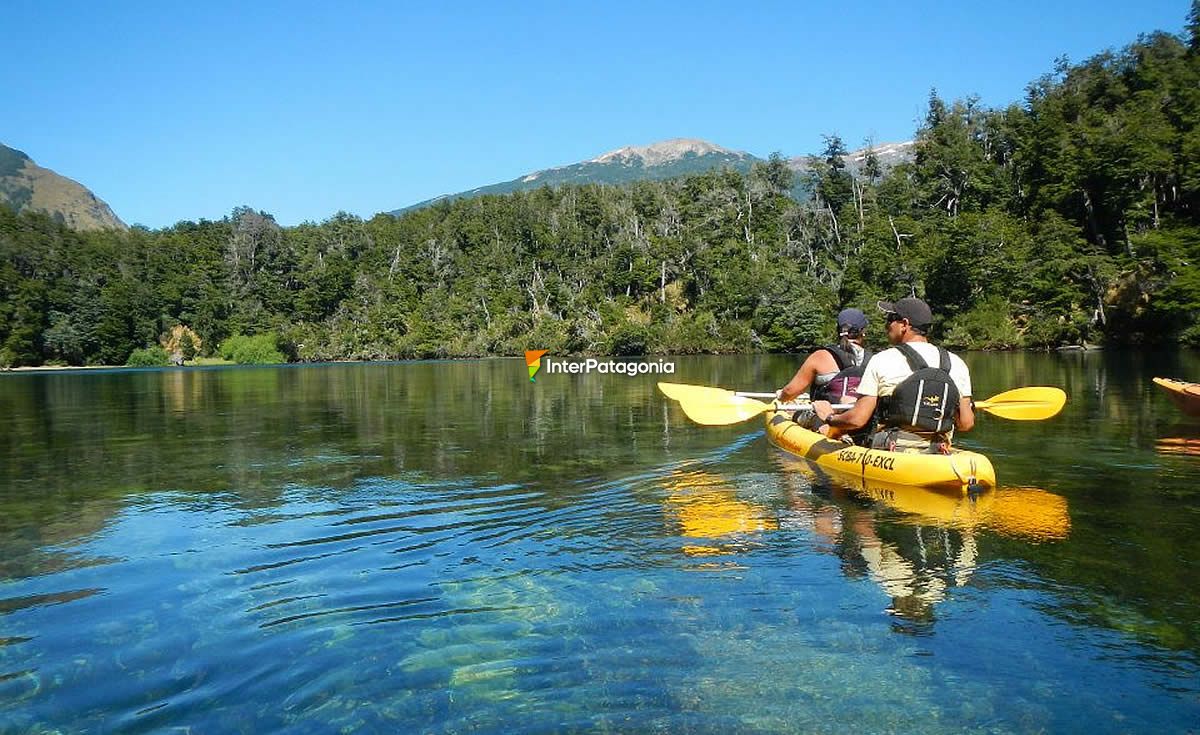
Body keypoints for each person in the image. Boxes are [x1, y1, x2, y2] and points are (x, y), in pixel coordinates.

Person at [811, 297, 974, 454]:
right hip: (937, 449)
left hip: (892, 451)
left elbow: (857, 419)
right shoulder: (956, 362)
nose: (886, 325)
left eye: (890, 319)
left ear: (904, 324)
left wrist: (829, 417)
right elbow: (966, 423)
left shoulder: (882, 359)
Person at [776, 307, 873, 405]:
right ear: (863, 332)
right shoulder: (875, 360)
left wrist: (781, 396)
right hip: (863, 417)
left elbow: (790, 391)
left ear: (838, 331)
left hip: (826, 416)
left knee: (793, 411)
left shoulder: (820, 356)